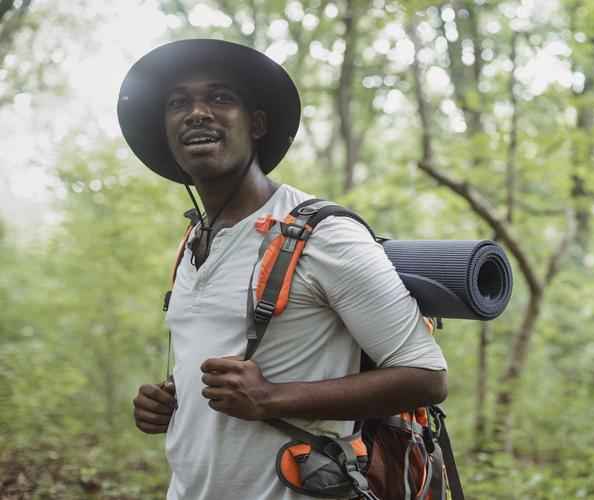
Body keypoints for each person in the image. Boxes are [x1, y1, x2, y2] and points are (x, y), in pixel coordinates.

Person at [118, 39, 448, 500]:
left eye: (219, 97)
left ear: (256, 125)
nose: (196, 112)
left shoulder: (323, 235)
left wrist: (271, 399)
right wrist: (172, 400)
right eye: (178, 103)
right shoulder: (194, 240)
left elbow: (426, 376)